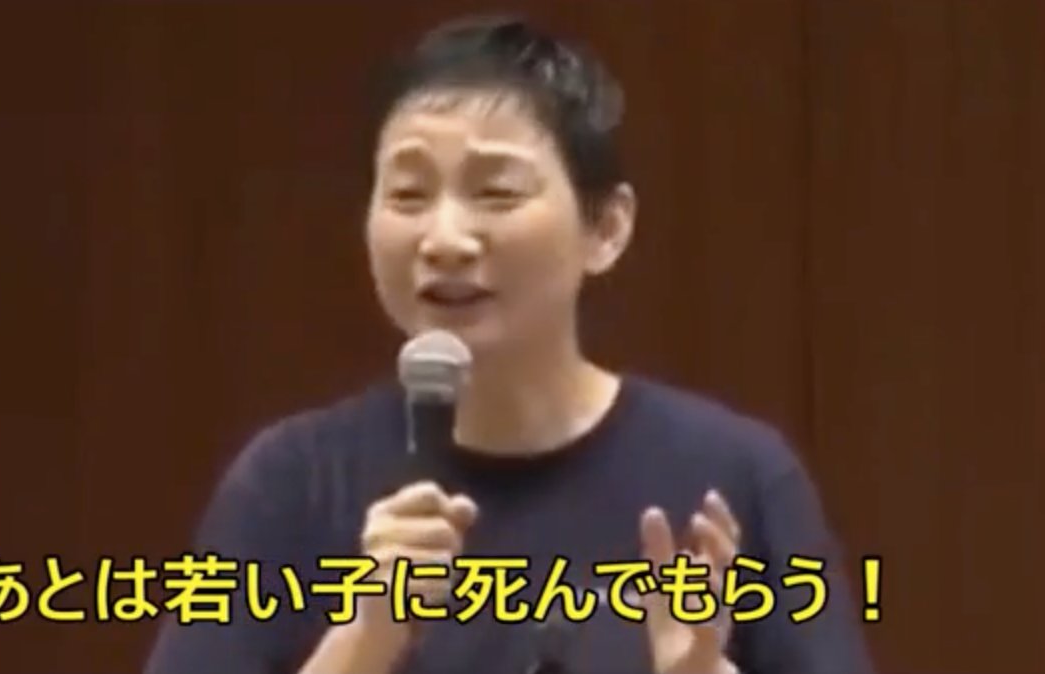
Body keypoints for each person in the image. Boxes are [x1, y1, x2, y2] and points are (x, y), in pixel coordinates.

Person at [144, 13, 877, 674]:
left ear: (606, 228)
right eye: (407, 195)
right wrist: (365, 638)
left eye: (496, 193)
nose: (444, 239)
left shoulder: (734, 478)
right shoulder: (290, 484)